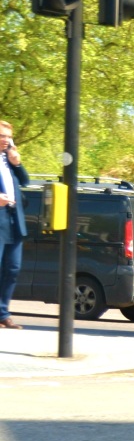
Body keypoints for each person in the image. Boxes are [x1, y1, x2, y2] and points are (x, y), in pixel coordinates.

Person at [0, 119, 30, 330]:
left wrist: (17, 162)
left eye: (9, 137)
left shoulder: (8, 159)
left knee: (13, 268)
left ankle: (3, 313)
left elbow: (26, 181)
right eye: (2, 136)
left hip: (13, 219)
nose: (6, 140)